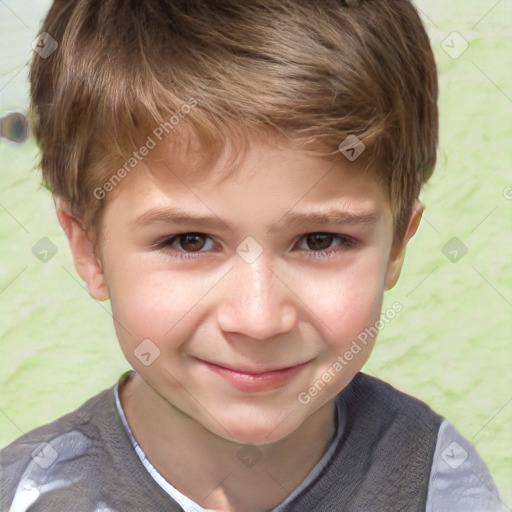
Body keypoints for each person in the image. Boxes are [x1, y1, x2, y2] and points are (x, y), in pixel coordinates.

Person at [0, 1, 505, 510]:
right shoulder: (29, 493)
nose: (259, 320)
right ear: (88, 249)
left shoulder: (439, 484)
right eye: (189, 241)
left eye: (319, 240)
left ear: (397, 245)